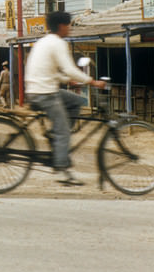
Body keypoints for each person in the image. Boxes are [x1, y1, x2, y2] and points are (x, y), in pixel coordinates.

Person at [24, 10, 107, 186]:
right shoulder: (58, 44)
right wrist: (91, 81)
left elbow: (51, 71)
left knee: (76, 101)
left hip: (37, 89)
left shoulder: (43, 41)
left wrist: (68, 80)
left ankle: (57, 135)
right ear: (62, 26)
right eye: (68, 25)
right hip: (45, 93)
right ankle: (61, 169)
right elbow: (69, 68)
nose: (69, 28)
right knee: (64, 132)